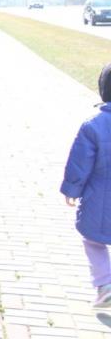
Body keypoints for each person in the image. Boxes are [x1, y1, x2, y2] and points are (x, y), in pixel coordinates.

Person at [61, 63, 111, 308]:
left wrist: (71, 190)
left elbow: (80, 164)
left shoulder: (93, 126)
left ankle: (105, 284)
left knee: (93, 241)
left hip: (100, 204)